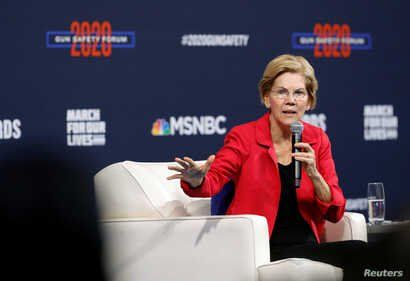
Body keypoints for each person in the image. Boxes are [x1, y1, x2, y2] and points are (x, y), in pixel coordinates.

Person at [167, 54, 367, 278]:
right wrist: (197, 180)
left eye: (299, 93)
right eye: (281, 92)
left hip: (308, 246)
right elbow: (214, 180)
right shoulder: (244, 137)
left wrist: (315, 174)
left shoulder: (317, 139)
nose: (290, 100)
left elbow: (335, 211)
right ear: (266, 98)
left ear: (309, 102)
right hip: (259, 248)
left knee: (370, 254)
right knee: (360, 253)